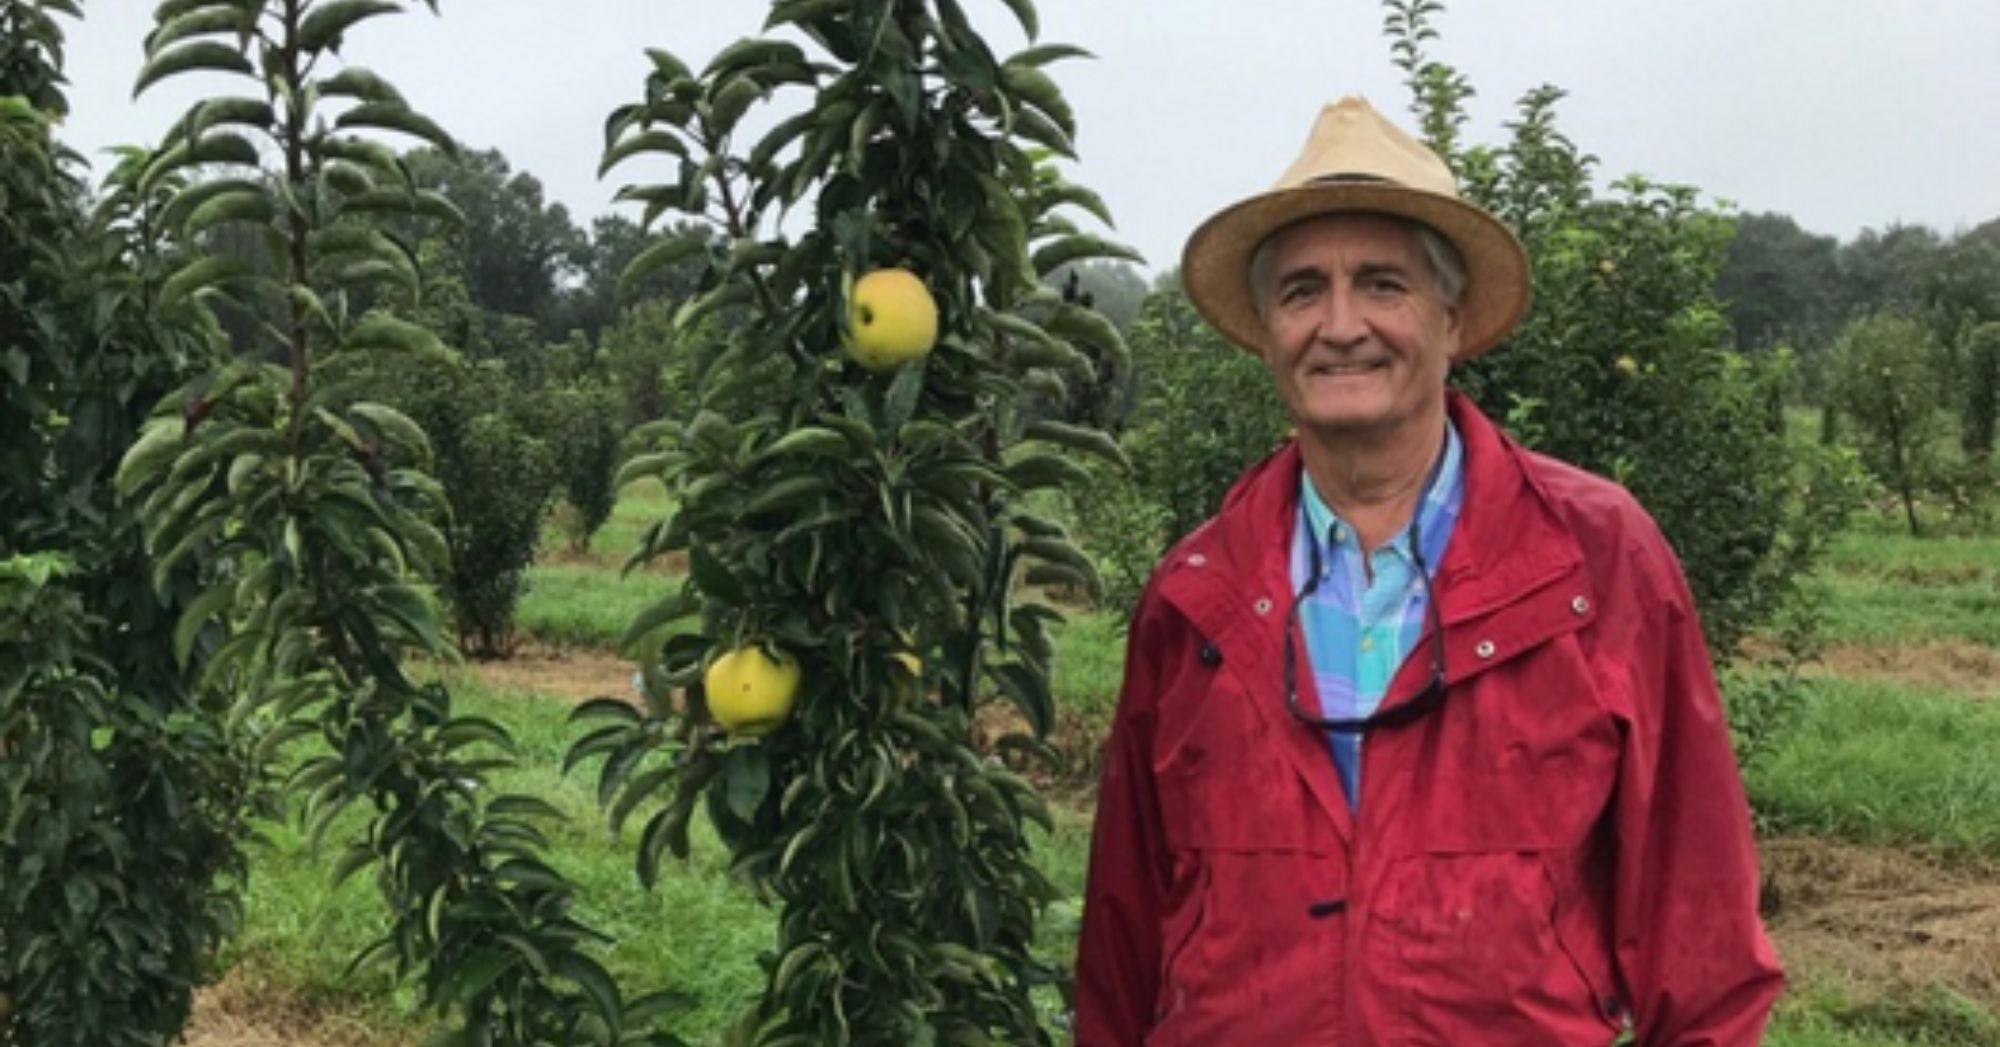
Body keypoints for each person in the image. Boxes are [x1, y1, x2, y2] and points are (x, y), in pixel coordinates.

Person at [1072, 97, 1783, 1045]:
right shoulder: (1194, 593)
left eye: (1381, 284)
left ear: (1452, 319)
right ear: (1268, 335)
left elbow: (1701, 943)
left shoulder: (1596, 559)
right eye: (1300, 291)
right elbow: (1124, 939)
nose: (1340, 324)